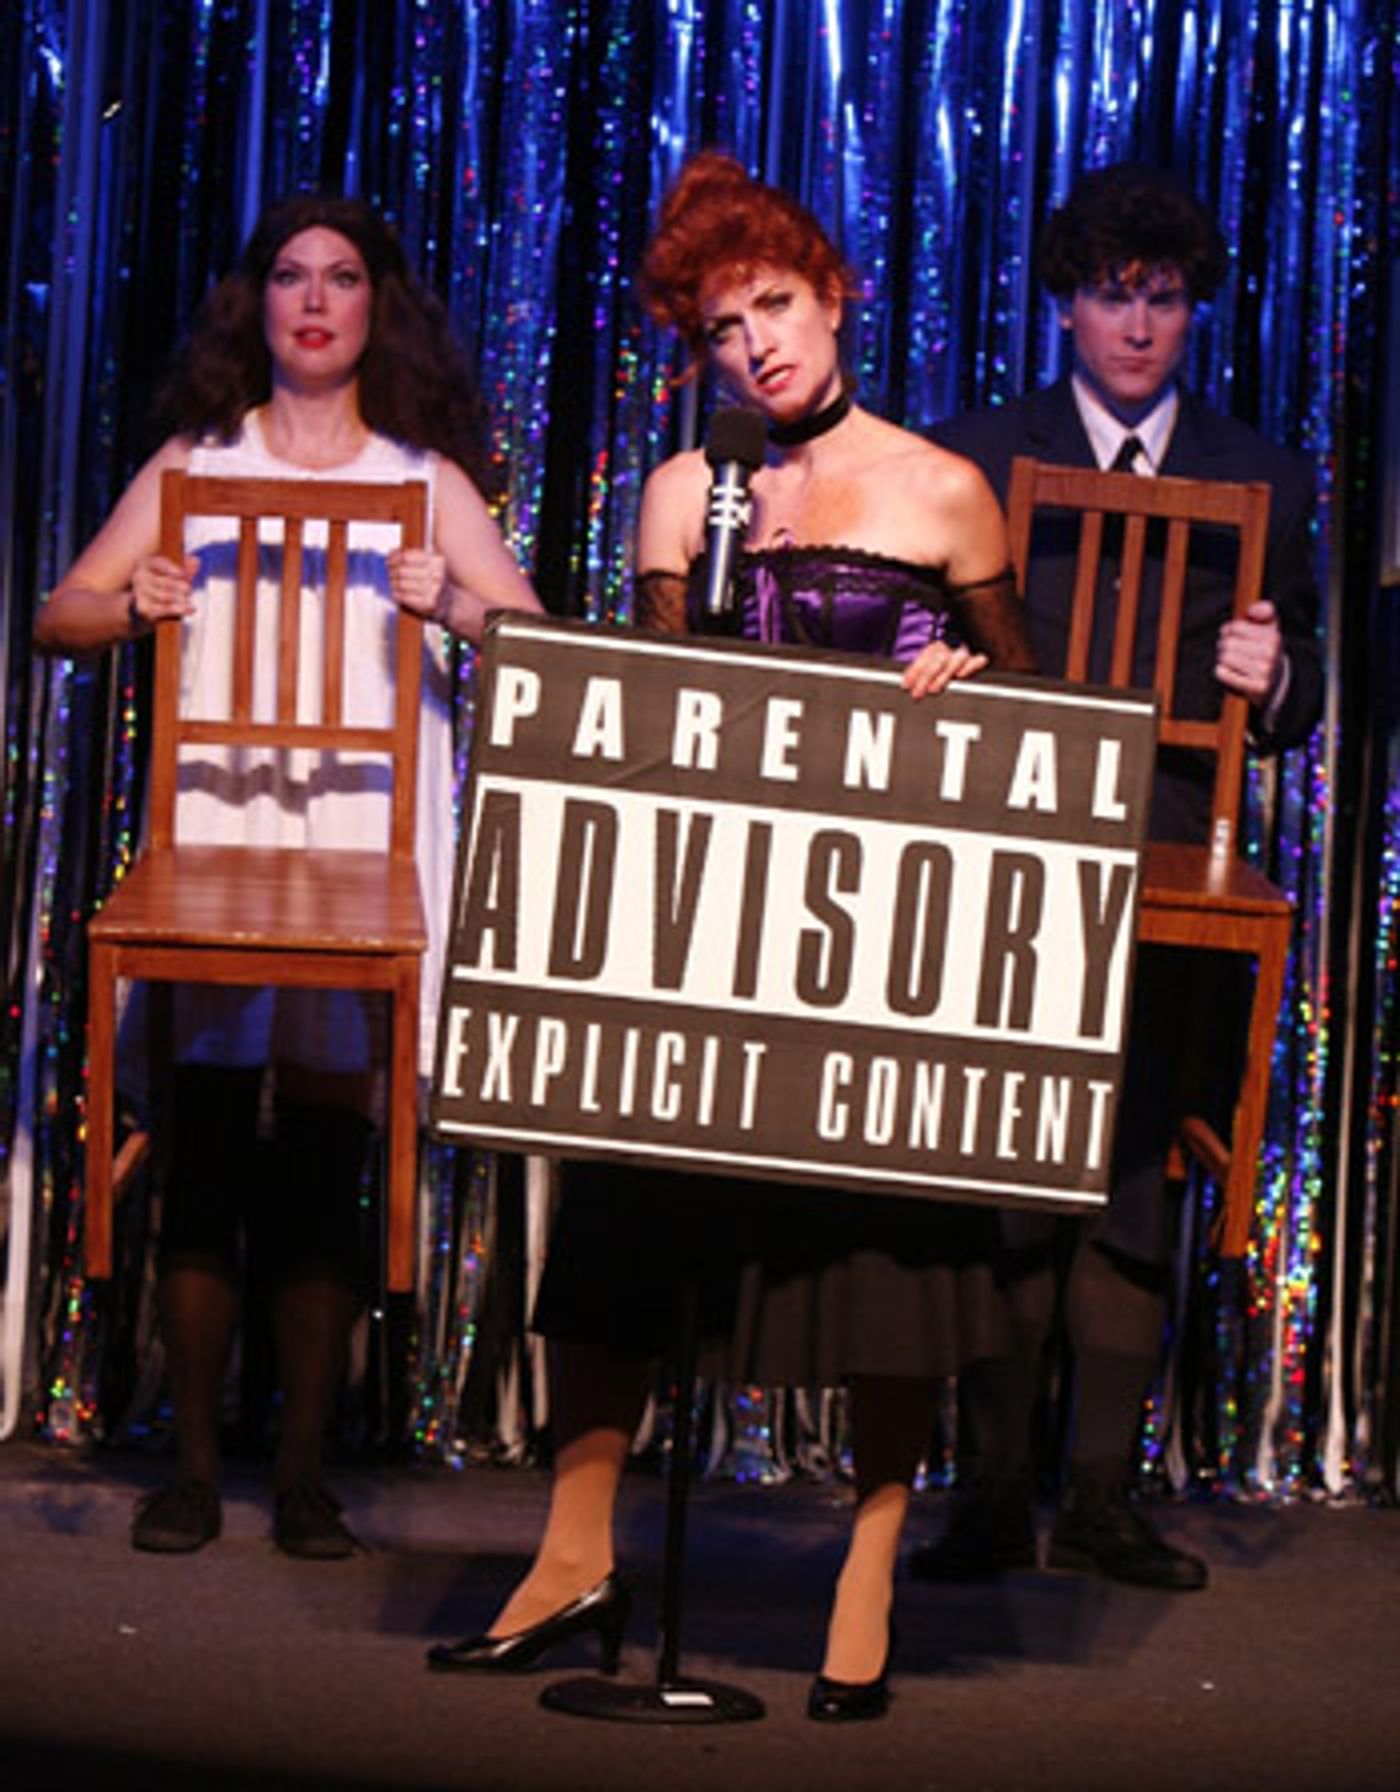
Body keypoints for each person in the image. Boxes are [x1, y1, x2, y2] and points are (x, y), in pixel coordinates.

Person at [425, 151, 1035, 1721]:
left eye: (773, 305)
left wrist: (968, 692)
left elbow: (1042, 733)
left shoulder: (940, 489)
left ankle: (867, 1567)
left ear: (834, 297)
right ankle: (573, 1557)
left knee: (896, 1242)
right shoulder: (682, 493)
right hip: (715, 921)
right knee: (623, 1204)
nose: (754, 343)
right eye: (719, 327)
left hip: (880, 920)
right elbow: (658, 716)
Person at [35, 193, 542, 1558]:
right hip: (221, 830)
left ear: (380, 304)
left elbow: (537, 641)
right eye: (291, 276)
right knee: (205, 1141)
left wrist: (453, 604)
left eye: (343, 277)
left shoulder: (423, 479)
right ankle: (196, 1468)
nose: (315, 301)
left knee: (323, 1152)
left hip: (363, 844)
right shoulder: (198, 462)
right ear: (255, 302)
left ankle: (306, 1472)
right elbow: (60, 612)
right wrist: (129, 601)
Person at [911, 163, 1323, 1591]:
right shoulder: (973, 457)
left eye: (1163, 298)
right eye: (1110, 295)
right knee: (1002, 1174)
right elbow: (909, 637)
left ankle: (1098, 1494)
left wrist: (1277, 678)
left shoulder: (1264, 476)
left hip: (1170, 862)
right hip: (1010, 853)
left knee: (1135, 1175)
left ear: (1194, 308)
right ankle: (988, 1492)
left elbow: (1306, 688)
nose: (1138, 326)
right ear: (1064, 306)